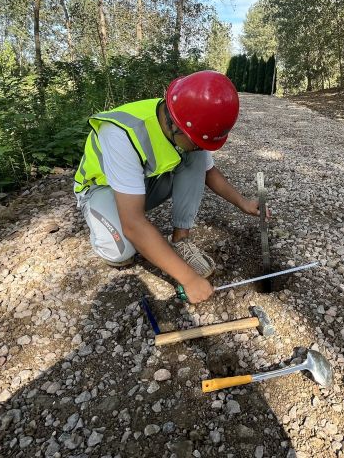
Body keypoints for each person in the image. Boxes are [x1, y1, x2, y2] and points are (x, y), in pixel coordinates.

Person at [73, 70, 262, 303]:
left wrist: (243, 203)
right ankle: (99, 224)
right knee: (121, 252)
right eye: (197, 142)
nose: (200, 147)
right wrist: (189, 279)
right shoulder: (121, 134)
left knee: (195, 157)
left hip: (140, 185)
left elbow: (207, 171)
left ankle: (180, 240)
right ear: (176, 127)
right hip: (102, 189)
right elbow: (133, 224)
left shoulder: (183, 119)